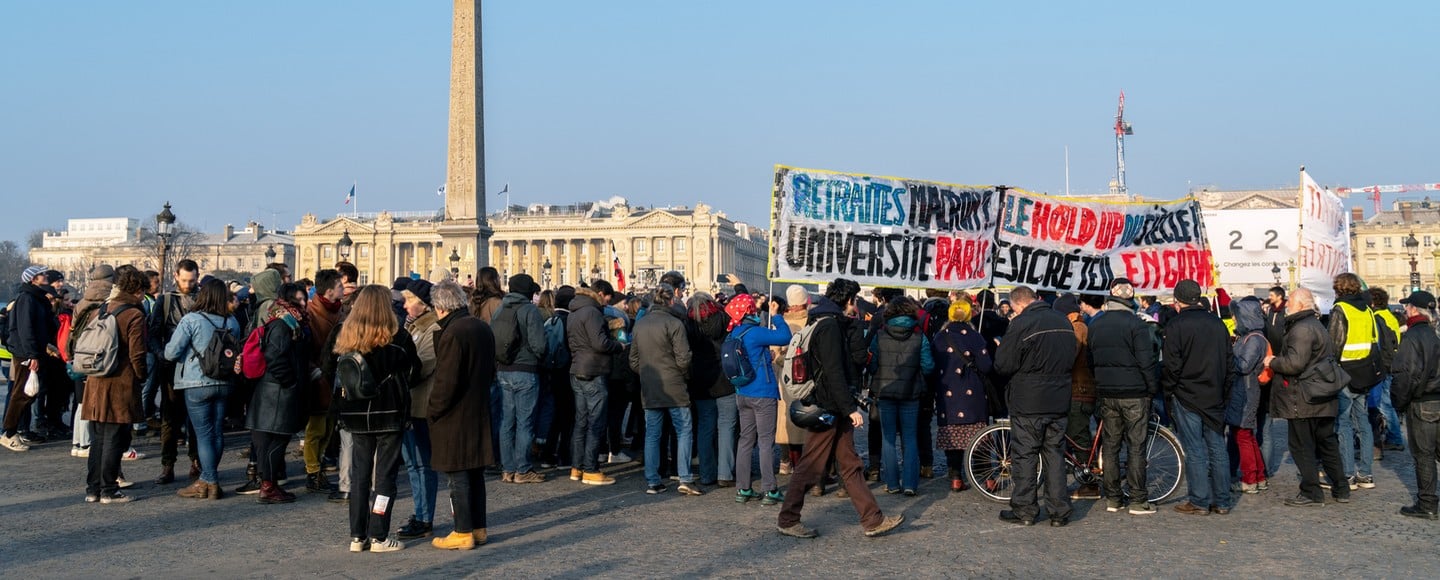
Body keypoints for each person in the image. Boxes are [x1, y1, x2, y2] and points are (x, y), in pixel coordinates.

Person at [776, 278, 904, 538]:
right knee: (811, 465)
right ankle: (788, 519)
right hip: (829, 406)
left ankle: (872, 519)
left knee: (850, 464)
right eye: (854, 300)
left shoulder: (823, 321)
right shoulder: (830, 327)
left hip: (832, 405)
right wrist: (850, 409)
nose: (855, 305)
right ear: (847, 300)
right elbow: (834, 372)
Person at [324, 285, 421, 553]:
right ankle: (379, 534)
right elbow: (415, 370)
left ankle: (358, 535)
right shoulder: (397, 337)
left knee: (360, 476)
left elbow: (332, 369)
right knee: (385, 477)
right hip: (388, 412)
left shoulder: (347, 335)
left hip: (355, 412)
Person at [993, 286, 1077, 527]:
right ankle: (1059, 510)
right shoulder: (1062, 321)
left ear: (1018, 305)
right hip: (1059, 397)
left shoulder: (1021, 324)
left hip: (1028, 400)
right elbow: (1073, 355)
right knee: (1054, 455)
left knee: (1026, 455)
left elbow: (1003, 364)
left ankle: (1025, 509)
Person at [427, 281, 497, 550]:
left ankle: (462, 530)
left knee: (457, 475)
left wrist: (433, 410)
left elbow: (446, 382)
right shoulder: (480, 326)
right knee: (475, 474)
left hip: (455, 415)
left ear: (441, 307)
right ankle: (478, 527)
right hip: (477, 408)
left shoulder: (453, 333)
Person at [1264, 288, 1350, 507]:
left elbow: (1294, 364)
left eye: (1290, 301)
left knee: (1302, 445)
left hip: (1303, 396)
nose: (1286, 305)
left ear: (1301, 305)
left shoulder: (1301, 329)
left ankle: (1312, 491)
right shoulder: (1316, 324)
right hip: (1322, 394)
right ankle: (1341, 487)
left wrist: (1272, 361)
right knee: (1327, 442)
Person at [163, 278, 242, 499]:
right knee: (216, 431)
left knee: (204, 433)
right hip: (224, 381)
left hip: (196, 381)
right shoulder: (232, 322)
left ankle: (209, 480)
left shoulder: (192, 319)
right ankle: (209, 478)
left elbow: (171, 352)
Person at [1086, 278, 1160, 514]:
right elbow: (1146, 361)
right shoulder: (1136, 325)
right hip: (1135, 393)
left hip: (1107, 393)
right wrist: (1151, 388)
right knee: (1136, 446)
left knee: (1110, 445)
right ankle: (1138, 500)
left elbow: (1091, 360)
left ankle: (1113, 498)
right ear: (1130, 299)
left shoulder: (1096, 325)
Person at [1163, 279, 1233, 515]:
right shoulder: (1218, 324)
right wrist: (1224, 390)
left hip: (1187, 395)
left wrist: (1169, 390)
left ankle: (1199, 501)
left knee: (1195, 451)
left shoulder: (1176, 326)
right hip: (1213, 393)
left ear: (1177, 302)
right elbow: (1229, 362)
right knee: (1217, 449)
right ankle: (1223, 501)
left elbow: (1172, 366)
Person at [79, 268, 149, 503]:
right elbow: (137, 353)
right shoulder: (134, 315)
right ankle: (109, 489)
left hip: (96, 379)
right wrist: (142, 376)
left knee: (98, 437)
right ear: (138, 291)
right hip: (120, 382)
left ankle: (93, 489)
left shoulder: (101, 309)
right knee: (115, 437)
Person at [630, 282, 701, 495]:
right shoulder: (674, 324)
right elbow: (684, 357)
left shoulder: (640, 325)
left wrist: (646, 373)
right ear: (671, 300)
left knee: (652, 434)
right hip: (674, 384)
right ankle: (685, 478)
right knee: (683, 430)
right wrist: (682, 374)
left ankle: (653, 480)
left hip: (650, 384)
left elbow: (633, 359)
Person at [247, 282, 311, 505]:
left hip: (274, 391)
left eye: (304, 298)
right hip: (276, 393)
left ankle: (269, 484)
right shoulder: (284, 325)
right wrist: (290, 382)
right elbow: (275, 357)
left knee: (271, 442)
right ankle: (268, 486)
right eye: (300, 300)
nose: (304, 303)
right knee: (276, 441)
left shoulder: (291, 322)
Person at [727, 293, 792, 505]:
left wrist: (766, 356)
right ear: (749, 312)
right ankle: (770, 489)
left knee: (745, 440)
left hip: (742, 392)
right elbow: (785, 337)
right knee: (765, 441)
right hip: (762, 393)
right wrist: (777, 315)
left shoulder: (734, 332)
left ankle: (743, 488)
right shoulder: (755, 332)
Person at [867, 297, 934, 496]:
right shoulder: (919, 336)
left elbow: (871, 364)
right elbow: (929, 366)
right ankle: (910, 484)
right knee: (910, 437)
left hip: (885, 391)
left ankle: (893, 483)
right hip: (911, 392)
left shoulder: (879, 335)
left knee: (887, 438)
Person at [1328, 273, 1383, 491]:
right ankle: (1366, 474)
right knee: (1363, 425)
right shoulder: (1368, 310)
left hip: (1345, 374)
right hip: (1365, 373)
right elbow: (1374, 340)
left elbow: (1334, 344)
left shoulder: (1340, 310)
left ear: (1338, 289)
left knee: (1343, 425)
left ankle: (1348, 474)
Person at [149, 258, 201, 485]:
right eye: (185, 280)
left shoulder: (202, 298)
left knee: (197, 418)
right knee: (170, 418)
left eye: (192, 280)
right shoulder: (166, 301)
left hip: (197, 366)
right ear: (176, 277)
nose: (188, 284)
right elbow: (152, 333)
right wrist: (162, 355)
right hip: (172, 366)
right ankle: (167, 464)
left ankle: (196, 461)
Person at [568, 282, 625, 485]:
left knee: (581, 421)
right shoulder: (592, 312)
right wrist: (618, 345)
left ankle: (577, 467)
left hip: (577, 368)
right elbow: (599, 343)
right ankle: (591, 469)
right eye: (608, 298)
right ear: (601, 294)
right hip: (593, 369)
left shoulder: (575, 310)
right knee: (596, 421)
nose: (608, 302)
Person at [397, 279, 441, 540]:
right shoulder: (413, 327)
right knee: (413, 464)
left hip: (421, 405)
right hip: (410, 403)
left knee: (422, 464)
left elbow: (422, 366)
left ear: (423, 305)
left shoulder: (432, 328)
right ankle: (420, 513)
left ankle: (425, 517)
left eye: (409, 300)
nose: (404, 305)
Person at [493, 274, 547, 484]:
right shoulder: (529, 310)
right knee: (525, 422)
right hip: (525, 370)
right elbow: (539, 345)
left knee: (506, 421)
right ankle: (523, 469)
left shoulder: (500, 309)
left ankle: (508, 469)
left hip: (503, 370)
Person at [1390, 290, 1440, 519]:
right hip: (1436, 398)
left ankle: (1427, 504)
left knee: (1424, 455)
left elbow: (1405, 375)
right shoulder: (1434, 333)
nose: (1404, 310)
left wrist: (1399, 403)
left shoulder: (1413, 336)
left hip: (1422, 402)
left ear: (1413, 309)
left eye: (1407, 306)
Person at [932, 298, 991, 493]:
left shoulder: (940, 337)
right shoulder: (975, 336)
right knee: (979, 435)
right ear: (969, 314)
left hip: (947, 392)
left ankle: (956, 477)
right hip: (971, 393)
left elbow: (932, 366)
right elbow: (986, 366)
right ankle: (987, 477)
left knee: (953, 436)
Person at [2, 266, 60, 452]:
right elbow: (26, 329)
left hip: (31, 351)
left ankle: (11, 431)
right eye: (42, 275)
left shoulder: (35, 298)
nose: (46, 277)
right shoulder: (27, 299)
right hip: (26, 353)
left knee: (27, 392)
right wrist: (32, 355)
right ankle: (9, 433)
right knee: (22, 392)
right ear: (33, 279)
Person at [687, 291, 738, 488]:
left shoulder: (689, 325)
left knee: (705, 427)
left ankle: (707, 473)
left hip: (701, 381)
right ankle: (725, 473)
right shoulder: (723, 318)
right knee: (727, 427)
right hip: (725, 378)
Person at [303, 269, 344, 496]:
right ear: (329, 291)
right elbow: (306, 348)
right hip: (319, 375)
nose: (343, 289)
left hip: (335, 375)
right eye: (340, 286)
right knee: (317, 427)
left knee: (329, 427)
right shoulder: (310, 314)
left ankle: (318, 467)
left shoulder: (339, 312)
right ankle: (312, 471)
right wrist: (314, 370)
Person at [1054, 294, 1099, 500]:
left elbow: (1068, 357)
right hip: (1080, 389)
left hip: (1079, 390)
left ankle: (1090, 485)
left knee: (1079, 436)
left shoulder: (1077, 328)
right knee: (1078, 435)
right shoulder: (1079, 325)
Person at [1228, 296, 1270, 495]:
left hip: (1245, 391)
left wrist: (1228, 356)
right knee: (1248, 435)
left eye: (1236, 316)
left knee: (1243, 436)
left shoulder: (1253, 339)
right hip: (1244, 391)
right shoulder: (1251, 337)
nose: (1234, 320)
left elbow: (1244, 366)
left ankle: (1250, 479)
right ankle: (1259, 476)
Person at [776, 285, 811, 475]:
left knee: (785, 419)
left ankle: (785, 460)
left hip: (786, 377)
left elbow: (775, 353)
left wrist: (785, 361)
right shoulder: (813, 321)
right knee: (807, 415)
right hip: (808, 377)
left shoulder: (781, 323)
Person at [1369, 288, 1405, 454]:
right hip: (1393, 363)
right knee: (1387, 403)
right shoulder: (1388, 316)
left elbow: (1379, 345)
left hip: (1384, 365)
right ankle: (1394, 437)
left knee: (1384, 404)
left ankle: (1395, 438)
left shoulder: (1377, 318)